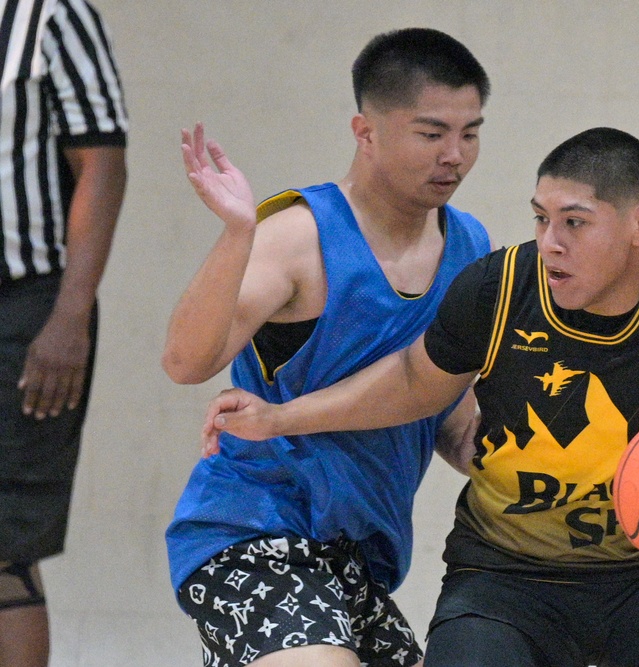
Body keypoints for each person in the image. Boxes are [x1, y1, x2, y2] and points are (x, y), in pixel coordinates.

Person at [202, 127, 639, 666]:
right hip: (507, 573)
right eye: (542, 218)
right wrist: (280, 414)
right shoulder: (500, 286)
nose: (550, 243)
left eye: (575, 222)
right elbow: (410, 382)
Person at [162, 28, 491, 667]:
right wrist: (236, 236)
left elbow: (450, 418)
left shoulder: (471, 247)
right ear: (365, 130)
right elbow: (184, 363)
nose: (454, 154)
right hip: (252, 528)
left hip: (355, 560)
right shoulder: (298, 238)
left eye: (470, 133)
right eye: (431, 134)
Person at [0, 0, 128, 664]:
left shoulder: (49, 15)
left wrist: (70, 316)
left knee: (3, 549)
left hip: (26, 303)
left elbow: (102, 164)